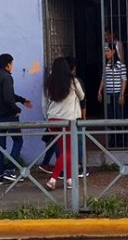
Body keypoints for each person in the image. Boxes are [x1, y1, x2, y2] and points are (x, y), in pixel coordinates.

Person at [0, 53, 32, 185]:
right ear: (8, 64)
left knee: (0, 146)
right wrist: (17, 109)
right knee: (18, 141)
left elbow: (7, 95)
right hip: (8, 116)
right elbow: (8, 98)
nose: (13, 66)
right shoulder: (7, 77)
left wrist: (21, 100)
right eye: (12, 64)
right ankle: (10, 169)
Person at [43, 57, 85, 190]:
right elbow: (82, 96)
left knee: (64, 150)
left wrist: (48, 119)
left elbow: (44, 105)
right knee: (69, 151)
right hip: (68, 121)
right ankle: (53, 179)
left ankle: (70, 179)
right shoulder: (73, 81)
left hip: (52, 121)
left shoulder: (48, 83)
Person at [97, 43, 127, 148]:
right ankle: (112, 140)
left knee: (118, 117)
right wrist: (99, 91)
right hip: (108, 94)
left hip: (117, 93)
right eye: (105, 51)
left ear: (113, 52)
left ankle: (120, 141)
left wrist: (122, 95)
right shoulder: (106, 65)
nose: (106, 53)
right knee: (110, 117)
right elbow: (103, 79)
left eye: (108, 51)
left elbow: (124, 80)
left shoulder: (120, 65)